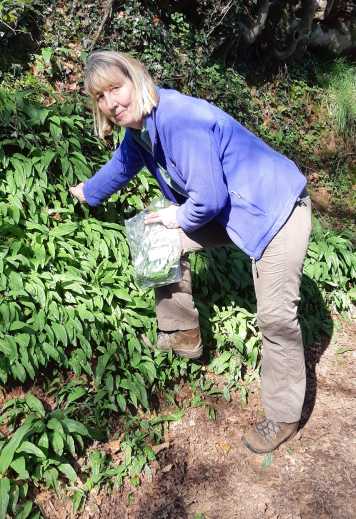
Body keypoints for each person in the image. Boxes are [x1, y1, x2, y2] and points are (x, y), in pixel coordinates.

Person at [69, 50, 312, 454]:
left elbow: (209, 198)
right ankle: (181, 331)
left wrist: (176, 216)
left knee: (275, 317)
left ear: (137, 79)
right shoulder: (140, 133)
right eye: (100, 97)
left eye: (116, 88)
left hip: (275, 211)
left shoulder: (178, 119)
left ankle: (283, 415)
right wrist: (86, 193)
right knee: (154, 237)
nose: (111, 103)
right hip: (235, 210)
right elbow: (119, 168)